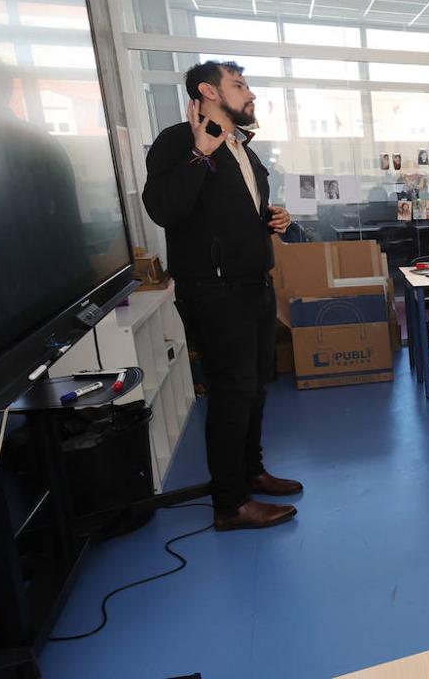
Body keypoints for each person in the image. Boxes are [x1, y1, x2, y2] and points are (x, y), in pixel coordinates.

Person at [143, 60, 300, 532]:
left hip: (253, 283)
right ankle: (230, 504)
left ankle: (250, 472)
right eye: (239, 85)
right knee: (231, 393)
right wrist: (198, 152)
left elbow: (228, 212)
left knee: (254, 389)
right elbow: (164, 208)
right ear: (208, 91)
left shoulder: (242, 147)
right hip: (214, 291)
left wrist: (273, 218)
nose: (249, 93)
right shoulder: (178, 140)